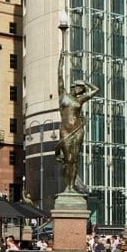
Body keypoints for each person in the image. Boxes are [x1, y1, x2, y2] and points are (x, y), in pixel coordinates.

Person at [55, 39, 99, 193]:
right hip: (66, 131)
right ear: (74, 87)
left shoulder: (80, 99)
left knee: (75, 160)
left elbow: (96, 90)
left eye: (82, 89)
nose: (81, 91)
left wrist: (86, 82)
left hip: (78, 130)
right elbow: (59, 76)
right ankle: (68, 186)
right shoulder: (63, 95)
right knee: (68, 160)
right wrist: (61, 59)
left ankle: (71, 187)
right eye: (79, 88)